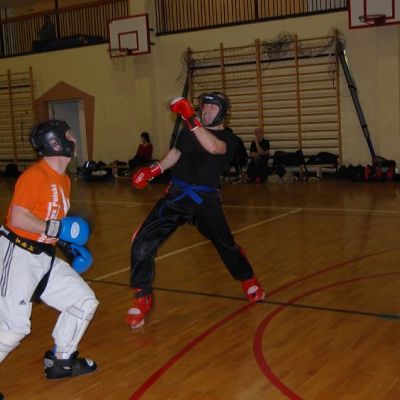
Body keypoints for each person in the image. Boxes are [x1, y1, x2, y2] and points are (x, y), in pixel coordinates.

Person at [125, 92, 265, 329]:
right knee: (142, 240)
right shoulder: (188, 130)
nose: (206, 111)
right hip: (177, 195)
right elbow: (175, 154)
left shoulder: (229, 139)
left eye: (212, 107)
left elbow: (213, 147)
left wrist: (190, 117)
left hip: (205, 200)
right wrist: (152, 171)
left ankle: (248, 278)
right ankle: (141, 296)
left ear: (223, 113)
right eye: (204, 107)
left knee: (226, 246)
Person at [0, 120, 98, 383]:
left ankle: (61, 361)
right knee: (14, 328)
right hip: (18, 253)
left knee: (83, 301)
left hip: (43, 255)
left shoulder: (63, 179)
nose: (73, 139)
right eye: (69, 135)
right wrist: (58, 229)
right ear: (56, 142)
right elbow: (18, 218)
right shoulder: (35, 176)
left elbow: (53, 222)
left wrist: (69, 247)